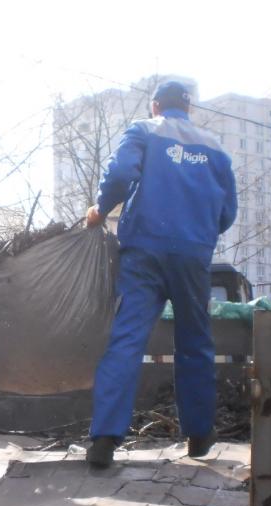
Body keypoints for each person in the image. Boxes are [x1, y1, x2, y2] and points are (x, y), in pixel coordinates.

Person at [84, 81, 238, 468]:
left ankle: (104, 440)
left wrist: (101, 208)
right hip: (193, 255)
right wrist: (199, 233)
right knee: (195, 341)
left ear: (155, 106)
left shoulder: (144, 130)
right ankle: (199, 436)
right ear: (189, 109)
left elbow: (120, 172)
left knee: (127, 339)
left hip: (144, 252)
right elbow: (227, 212)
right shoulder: (215, 147)